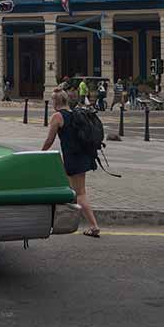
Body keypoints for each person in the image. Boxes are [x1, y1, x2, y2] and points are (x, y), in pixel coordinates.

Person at [41, 89, 101, 238]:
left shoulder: (57, 116)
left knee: (80, 194)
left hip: (74, 159)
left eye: (52, 100)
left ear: (55, 102)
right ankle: (64, 221)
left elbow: (49, 140)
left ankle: (94, 226)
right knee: (70, 189)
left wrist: (41, 152)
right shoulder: (74, 113)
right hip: (82, 156)